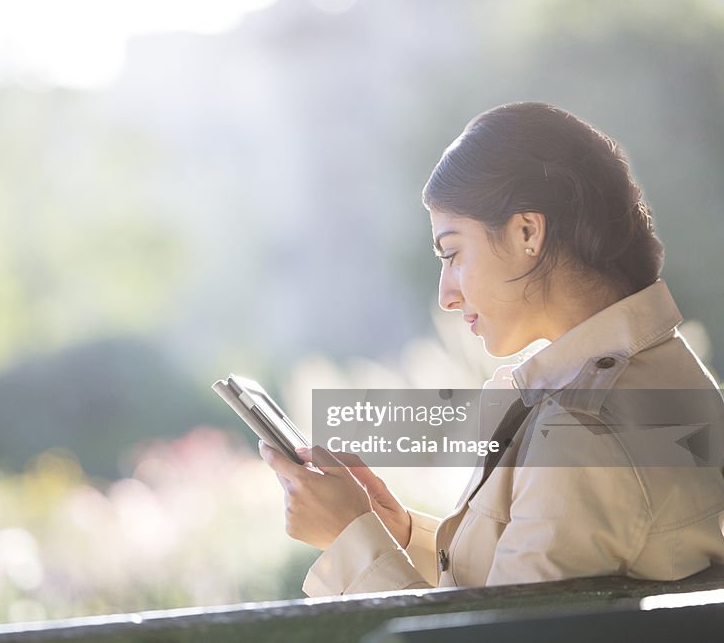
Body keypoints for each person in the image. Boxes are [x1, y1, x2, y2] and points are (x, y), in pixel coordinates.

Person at [259, 102, 724, 595]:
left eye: (454, 253)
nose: (446, 294)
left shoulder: (583, 433)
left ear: (528, 232)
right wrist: (396, 534)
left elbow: (487, 642)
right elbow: (521, 593)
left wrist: (348, 537)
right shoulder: (665, 373)